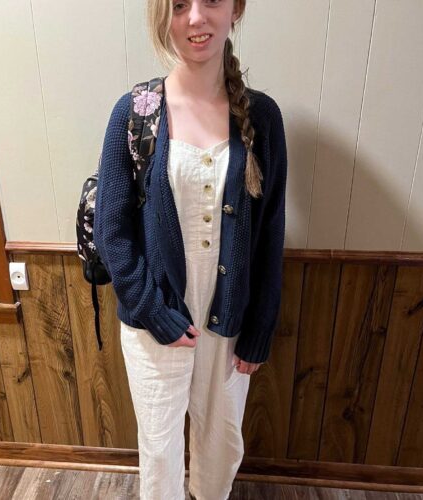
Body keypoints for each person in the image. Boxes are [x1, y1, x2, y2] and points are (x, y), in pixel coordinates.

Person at [93, 1, 288, 498]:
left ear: (235, 9)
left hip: (230, 320)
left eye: (211, 2)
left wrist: (261, 326)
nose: (196, 18)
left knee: (221, 443)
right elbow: (112, 232)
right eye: (179, 5)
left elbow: (270, 230)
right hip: (155, 321)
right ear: (163, 16)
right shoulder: (134, 113)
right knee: (159, 449)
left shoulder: (262, 117)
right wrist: (151, 309)